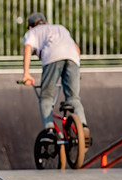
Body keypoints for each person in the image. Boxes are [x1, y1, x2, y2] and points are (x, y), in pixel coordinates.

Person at [21, 12, 90, 144]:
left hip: (52, 57)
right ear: (46, 23)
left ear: (30, 27)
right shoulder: (60, 28)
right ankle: (83, 126)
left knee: (46, 97)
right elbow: (77, 50)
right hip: (72, 58)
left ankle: (50, 130)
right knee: (73, 97)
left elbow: (28, 48)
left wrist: (26, 74)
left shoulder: (32, 32)